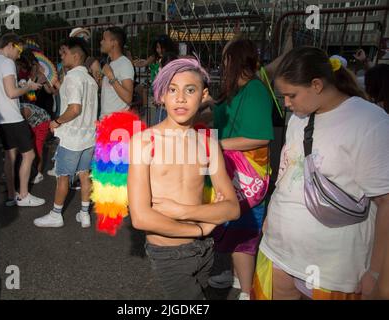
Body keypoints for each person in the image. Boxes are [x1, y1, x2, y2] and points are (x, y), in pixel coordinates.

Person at [254, 46, 389, 300]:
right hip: (278, 252)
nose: (286, 103)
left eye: (291, 95)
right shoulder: (298, 118)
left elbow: (386, 202)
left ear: (316, 85)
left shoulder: (370, 122)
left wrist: (377, 274)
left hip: (333, 270)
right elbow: (287, 174)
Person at [128, 58, 240, 299]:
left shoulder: (209, 143)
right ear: (161, 96)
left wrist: (181, 211)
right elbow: (140, 217)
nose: (180, 98)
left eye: (190, 90)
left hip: (206, 249)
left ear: (204, 95)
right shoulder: (144, 142)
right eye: (172, 90)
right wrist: (203, 225)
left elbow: (232, 209)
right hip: (168, 254)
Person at [206, 39, 274, 300]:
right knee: (231, 226)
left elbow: (260, 136)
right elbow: (223, 116)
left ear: (234, 60)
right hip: (232, 169)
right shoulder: (236, 88)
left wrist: (217, 144)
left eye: (225, 58)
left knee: (243, 230)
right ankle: (236, 277)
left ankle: (246, 291)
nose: (223, 63)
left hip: (247, 174)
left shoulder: (255, 90)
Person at [34, 37, 98, 228]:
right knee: (84, 174)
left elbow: (75, 108)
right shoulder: (90, 80)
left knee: (63, 177)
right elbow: (76, 100)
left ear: (76, 55)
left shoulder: (72, 77)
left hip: (72, 138)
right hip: (88, 137)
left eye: (64, 52)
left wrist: (56, 121)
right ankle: (84, 214)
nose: (62, 56)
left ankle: (56, 214)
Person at [0, 33, 45, 207]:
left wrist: (18, 87)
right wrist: (28, 87)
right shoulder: (6, 62)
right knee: (29, 155)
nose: (19, 55)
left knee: (10, 156)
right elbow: (11, 93)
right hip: (12, 117)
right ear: (10, 45)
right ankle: (24, 195)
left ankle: (12, 195)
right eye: (19, 50)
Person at [99, 26, 134, 118]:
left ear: (114, 43)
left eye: (104, 39)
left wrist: (111, 76)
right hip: (105, 121)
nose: (101, 42)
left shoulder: (125, 63)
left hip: (117, 123)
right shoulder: (110, 63)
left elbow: (128, 98)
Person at [19, 103, 51, 184]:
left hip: (43, 122)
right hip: (33, 123)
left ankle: (38, 174)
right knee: (29, 146)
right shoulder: (12, 109)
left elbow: (23, 128)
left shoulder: (22, 111)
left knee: (37, 148)